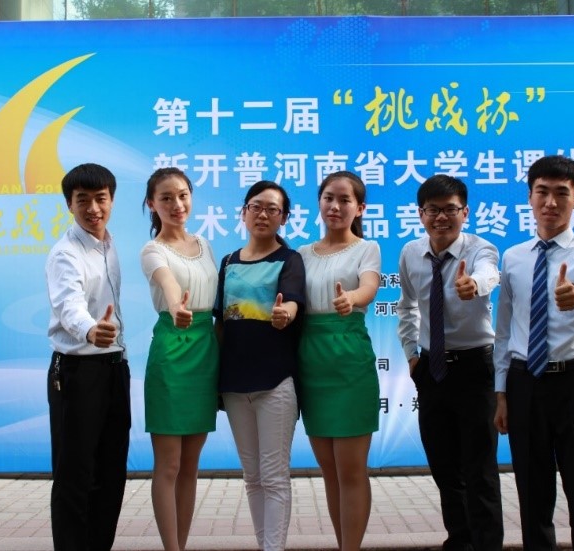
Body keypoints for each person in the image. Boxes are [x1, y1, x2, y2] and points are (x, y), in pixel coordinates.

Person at [494, 155, 574, 551]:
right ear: (529, 197)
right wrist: (501, 393)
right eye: (541, 192)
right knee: (533, 494)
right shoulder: (513, 257)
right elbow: (504, 330)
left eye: (561, 193)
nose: (550, 202)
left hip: (573, 382)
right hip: (524, 381)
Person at [397, 174, 504, 551]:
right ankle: (459, 542)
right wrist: (412, 354)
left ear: (465, 212)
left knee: (480, 469)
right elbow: (407, 306)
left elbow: (490, 273)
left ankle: (487, 545)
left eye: (450, 210)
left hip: (476, 370)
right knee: (444, 466)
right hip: (433, 370)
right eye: (433, 210)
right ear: (421, 214)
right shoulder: (411, 252)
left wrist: (473, 285)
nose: (441, 217)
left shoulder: (480, 249)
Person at [214, 180, 306, 551]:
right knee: (252, 477)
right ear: (244, 212)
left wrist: (286, 313)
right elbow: (221, 324)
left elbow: (293, 302)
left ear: (284, 217)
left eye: (272, 209)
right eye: (256, 206)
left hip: (276, 381)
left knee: (274, 476)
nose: (263, 214)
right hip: (235, 384)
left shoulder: (290, 260)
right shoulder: (228, 262)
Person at [45, 163, 131, 551]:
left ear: (112, 200)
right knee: (75, 475)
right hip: (77, 372)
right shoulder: (65, 253)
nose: (93, 208)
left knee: (111, 473)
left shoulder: (109, 246)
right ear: (69, 204)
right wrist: (91, 330)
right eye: (83, 200)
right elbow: (69, 305)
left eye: (101, 199)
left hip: (114, 368)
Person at [297, 171, 381, 551]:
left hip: (349, 359)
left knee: (350, 470)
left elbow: (369, 285)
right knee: (329, 471)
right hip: (310, 360)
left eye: (345, 200)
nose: (335, 206)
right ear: (319, 202)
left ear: (359, 208)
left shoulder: (367, 248)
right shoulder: (302, 254)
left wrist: (352, 299)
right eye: (329, 198)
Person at [140, 167, 219, 551]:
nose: (177, 204)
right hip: (172, 350)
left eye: (183, 195)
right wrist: (176, 308)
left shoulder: (205, 244)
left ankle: (181, 546)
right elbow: (168, 283)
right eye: (166, 198)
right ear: (151, 204)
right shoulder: (152, 250)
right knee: (169, 464)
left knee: (190, 465)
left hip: (205, 351)